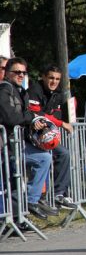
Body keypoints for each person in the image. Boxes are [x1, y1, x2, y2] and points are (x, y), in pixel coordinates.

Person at [0, 57, 57, 219]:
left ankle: (29, 203)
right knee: (12, 182)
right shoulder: (4, 90)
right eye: (17, 72)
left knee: (44, 158)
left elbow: (25, 116)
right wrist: (31, 117)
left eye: (23, 73)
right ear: (7, 73)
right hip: (7, 146)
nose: (20, 75)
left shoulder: (21, 91)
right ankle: (20, 213)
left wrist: (35, 123)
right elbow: (10, 118)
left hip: (19, 143)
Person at [27, 65, 75, 209]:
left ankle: (58, 194)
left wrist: (54, 123)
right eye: (51, 78)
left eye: (57, 79)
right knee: (45, 158)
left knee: (64, 154)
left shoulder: (58, 93)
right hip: (29, 136)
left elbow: (55, 115)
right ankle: (35, 199)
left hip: (45, 135)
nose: (54, 81)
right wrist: (61, 124)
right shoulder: (35, 90)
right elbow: (38, 113)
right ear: (43, 77)